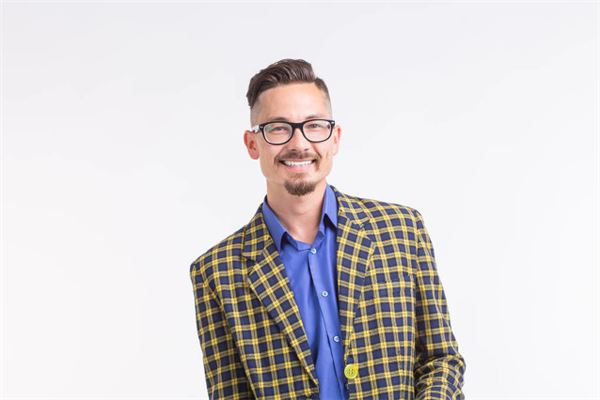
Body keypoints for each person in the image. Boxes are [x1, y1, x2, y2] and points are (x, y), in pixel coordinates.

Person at [190, 59, 465, 399]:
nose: (299, 143)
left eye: (315, 125)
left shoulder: (402, 231)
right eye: (278, 128)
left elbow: (441, 360)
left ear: (335, 138)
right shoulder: (217, 271)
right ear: (252, 144)